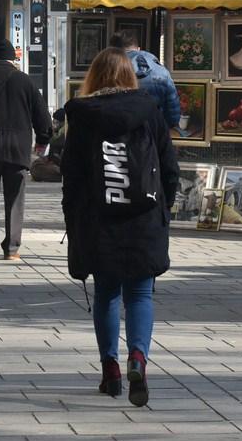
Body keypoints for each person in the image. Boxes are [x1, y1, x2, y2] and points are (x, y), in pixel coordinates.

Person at [62, 47, 178, 406]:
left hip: (100, 220)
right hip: (144, 219)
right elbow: (169, 168)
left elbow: (73, 177)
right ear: (130, 75)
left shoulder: (82, 118)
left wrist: (73, 222)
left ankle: (110, 369)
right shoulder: (150, 113)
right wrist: (164, 208)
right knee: (141, 294)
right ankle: (138, 359)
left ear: (93, 77)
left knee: (107, 294)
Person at [0, 39, 53, 261]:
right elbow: (43, 116)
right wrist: (43, 140)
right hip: (18, 148)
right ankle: (12, 248)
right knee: (15, 196)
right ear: (13, 59)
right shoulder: (25, 81)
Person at [111, 30, 180, 129]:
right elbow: (173, 116)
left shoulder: (107, 71)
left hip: (118, 137)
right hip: (151, 135)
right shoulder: (161, 72)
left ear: (111, 50)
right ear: (138, 49)